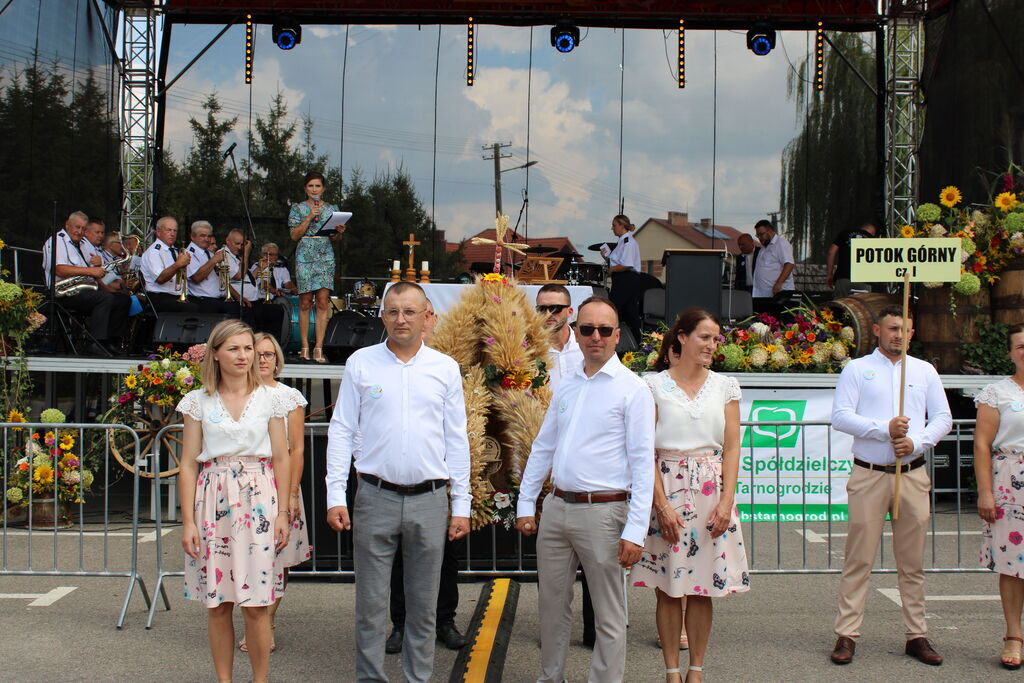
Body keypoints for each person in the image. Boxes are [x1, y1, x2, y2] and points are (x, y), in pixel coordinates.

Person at [325, 281, 471, 683]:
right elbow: (341, 430)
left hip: (429, 499)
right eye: (393, 311)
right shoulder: (361, 363)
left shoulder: (444, 368)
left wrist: (462, 505)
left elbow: (456, 439)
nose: (401, 319)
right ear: (382, 315)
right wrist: (335, 495)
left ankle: (418, 678)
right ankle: (370, 678)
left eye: (410, 311)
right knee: (371, 606)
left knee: (423, 608)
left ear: (428, 317)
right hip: (375, 497)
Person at [516, 296, 655, 683]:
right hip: (557, 508)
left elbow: (644, 464)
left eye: (605, 330)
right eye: (588, 328)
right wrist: (526, 502)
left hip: (605, 513)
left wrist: (635, 531)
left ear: (617, 337)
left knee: (609, 615)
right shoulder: (568, 383)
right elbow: (545, 444)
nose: (596, 336)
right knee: (551, 607)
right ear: (575, 332)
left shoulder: (633, 390)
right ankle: (551, 677)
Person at [630, 307, 749, 683]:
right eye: (705, 337)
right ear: (681, 337)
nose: (712, 345)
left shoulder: (725, 386)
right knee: (668, 589)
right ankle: (671, 671)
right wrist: (661, 505)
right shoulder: (650, 386)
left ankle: (696, 671)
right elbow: (643, 449)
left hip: (711, 493)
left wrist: (727, 502)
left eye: (716, 338)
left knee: (701, 591)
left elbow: (731, 448)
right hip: (665, 490)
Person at [829, 306, 952, 666]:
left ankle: (917, 635)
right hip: (869, 473)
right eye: (893, 327)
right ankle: (846, 635)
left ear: (912, 334)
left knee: (912, 563)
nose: (899, 334)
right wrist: (885, 429)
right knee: (858, 559)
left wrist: (916, 441)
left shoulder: (924, 370)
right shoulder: (857, 369)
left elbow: (942, 417)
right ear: (878, 330)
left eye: (906, 329)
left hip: (912, 473)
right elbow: (841, 416)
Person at [175, 319, 292, 683]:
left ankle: (260, 679)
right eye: (235, 349)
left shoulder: (272, 398)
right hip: (213, 500)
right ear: (215, 354)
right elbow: (188, 464)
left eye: (248, 349)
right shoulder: (197, 401)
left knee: (257, 604)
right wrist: (189, 522)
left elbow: (283, 456)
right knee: (219, 603)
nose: (244, 356)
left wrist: (283, 512)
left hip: (260, 498)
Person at [386, 296, 470, 654]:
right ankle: (401, 623)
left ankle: (444, 619)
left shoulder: (448, 361)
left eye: (418, 313)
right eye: (397, 312)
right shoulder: (381, 361)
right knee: (399, 559)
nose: (409, 320)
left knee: (444, 555)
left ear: (430, 318)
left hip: (439, 481)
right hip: (394, 481)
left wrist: (460, 491)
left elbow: (457, 429)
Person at [235, 332, 313, 654]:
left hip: (280, 484)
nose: (263, 359)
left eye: (269, 354)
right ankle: (252, 622)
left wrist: (292, 493)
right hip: (244, 486)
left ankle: (267, 620)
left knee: (277, 559)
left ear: (278, 361)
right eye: (259, 353)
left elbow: (296, 450)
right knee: (244, 557)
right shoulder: (238, 394)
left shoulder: (289, 397)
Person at [974, 323, 1024, 669]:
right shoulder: (996, 393)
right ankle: (1013, 635)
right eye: (1020, 346)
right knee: (1012, 565)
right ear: (1009, 353)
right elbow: (981, 444)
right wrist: (985, 493)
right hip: (1010, 481)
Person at [41, 210, 130, 355]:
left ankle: (110, 342)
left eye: (83, 228)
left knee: (122, 300)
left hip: (83, 289)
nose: (80, 231)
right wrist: (90, 271)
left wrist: (98, 267)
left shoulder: (81, 244)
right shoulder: (57, 241)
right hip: (64, 293)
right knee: (104, 298)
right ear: (67, 225)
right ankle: (95, 342)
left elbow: (93, 271)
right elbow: (59, 270)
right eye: (77, 227)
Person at [289, 171, 345, 363]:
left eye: (318, 186)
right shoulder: (297, 209)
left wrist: (339, 233)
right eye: (311, 186)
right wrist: (308, 217)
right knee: (305, 302)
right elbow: (294, 236)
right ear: (305, 188)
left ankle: (319, 348)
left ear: (323, 188)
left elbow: (335, 239)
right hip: (305, 253)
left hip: (325, 255)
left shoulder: (332, 209)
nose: (314, 189)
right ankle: (304, 347)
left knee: (322, 302)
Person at [223, 228, 285, 344]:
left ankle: (272, 347)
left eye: (242, 244)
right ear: (227, 241)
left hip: (251, 299)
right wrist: (246, 252)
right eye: (237, 244)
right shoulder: (224, 255)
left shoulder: (235, 256)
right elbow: (239, 276)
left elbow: (248, 278)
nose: (240, 247)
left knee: (276, 310)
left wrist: (260, 268)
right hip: (240, 301)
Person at [141, 216, 200, 313]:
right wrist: (178, 264)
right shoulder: (154, 251)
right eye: (168, 230)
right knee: (191, 308)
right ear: (158, 232)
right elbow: (160, 279)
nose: (172, 234)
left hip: (176, 296)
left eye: (175, 231)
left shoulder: (175, 251)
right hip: (160, 297)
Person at [600, 214, 643, 344]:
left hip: (627, 279)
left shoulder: (628, 242)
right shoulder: (622, 242)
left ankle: (610, 339)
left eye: (614, 225)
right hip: (622, 278)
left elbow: (627, 264)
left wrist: (611, 270)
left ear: (621, 225)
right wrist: (607, 258)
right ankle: (635, 342)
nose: (612, 228)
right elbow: (619, 261)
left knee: (613, 308)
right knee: (629, 312)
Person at [250, 243, 296, 348]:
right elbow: (264, 284)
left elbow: (288, 283)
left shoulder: (281, 268)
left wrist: (294, 289)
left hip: (276, 302)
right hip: (260, 302)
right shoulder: (257, 266)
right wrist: (274, 291)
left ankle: (276, 346)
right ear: (262, 255)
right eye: (270, 254)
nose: (273, 257)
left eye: (275, 255)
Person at [184, 221, 236, 314]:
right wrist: (214, 260)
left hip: (218, 299)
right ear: (192, 236)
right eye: (203, 236)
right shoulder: (188, 253)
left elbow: (222, 279)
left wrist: (239, 297)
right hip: (203, 301)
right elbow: (196, 277)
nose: (207, 239)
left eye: (209, 236)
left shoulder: (209, 253)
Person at [751, 219, 795, 315]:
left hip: (779, 296)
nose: (759, 238)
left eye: (761, 234)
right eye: (757, 235)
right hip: (763, 296)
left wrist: (778, 284)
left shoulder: (781, 244)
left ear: (770, 231)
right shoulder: (763, 248)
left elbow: (789, 264)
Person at [827, 221, 879, 296]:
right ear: (873, 233)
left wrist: (830, 274)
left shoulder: (844, 233)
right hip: (864, 280)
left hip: (843, 277)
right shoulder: (874, 240)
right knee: (861, 306)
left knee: (841, 306)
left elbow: (831, 252)